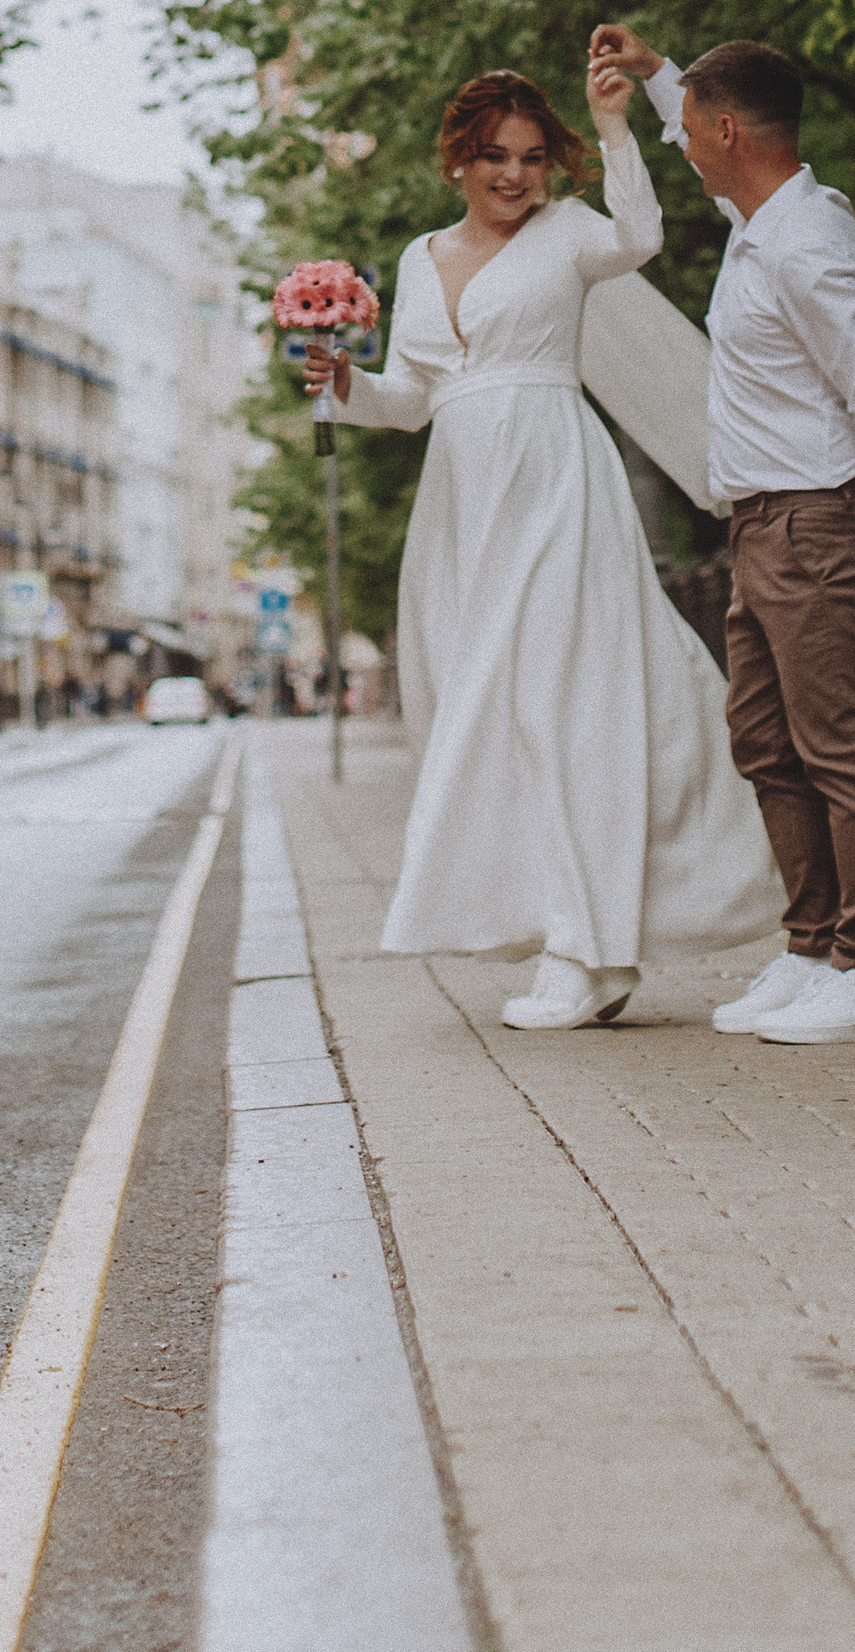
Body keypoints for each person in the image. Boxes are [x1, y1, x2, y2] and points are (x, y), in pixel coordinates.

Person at [306, 59, 781, 1031]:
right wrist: (338, 383)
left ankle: (587, 951)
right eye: (493, 157)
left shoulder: (569, 234)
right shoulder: (418, 258)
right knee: (492, 718)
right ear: (458, 161)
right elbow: (409, 400)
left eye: (529, 157)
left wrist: (613, 127)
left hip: (555, 480)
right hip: (461, 503)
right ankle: (571, 938)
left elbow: (641, 236)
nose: (513, 175)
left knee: (567, 711)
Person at [590, 26, 855, 1049]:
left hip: (815, 517)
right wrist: (662, 78)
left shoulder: (804, 240)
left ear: (730, 129)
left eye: (693, 127)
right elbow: (698, 140)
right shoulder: (759, 220)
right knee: (765, 741)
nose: (683, 142)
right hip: (761, 523)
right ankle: (813, 947)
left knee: (840, 749)